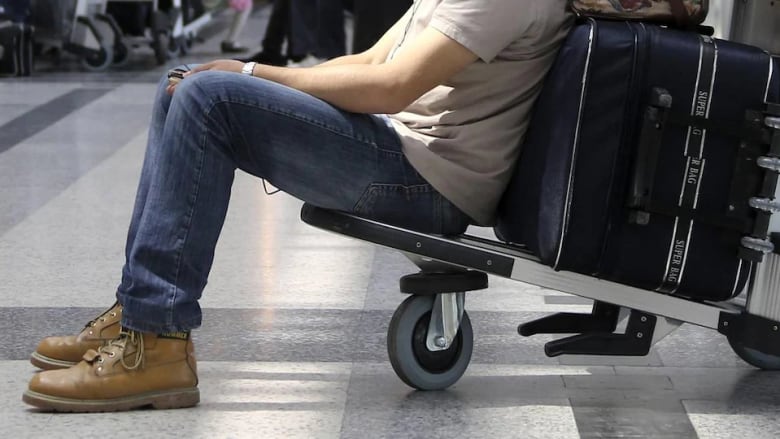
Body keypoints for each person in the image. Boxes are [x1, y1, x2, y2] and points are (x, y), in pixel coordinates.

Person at [22, 0, 573, 412]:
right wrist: (263, 82)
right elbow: (371, 57)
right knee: (182, 85)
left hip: (426, 182)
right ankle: (139, 312)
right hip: (402, 148)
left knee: (207, 97)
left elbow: (393, 85)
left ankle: (157, 342)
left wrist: (249, 73)